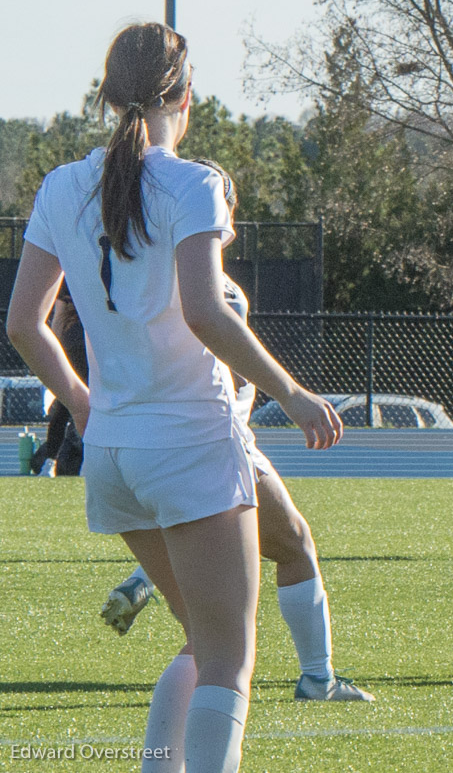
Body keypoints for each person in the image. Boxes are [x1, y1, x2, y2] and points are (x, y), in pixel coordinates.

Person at [6, 22, 341, 773]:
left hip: (114, 453)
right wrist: (292, 393)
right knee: (229, 661)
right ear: (187, 96)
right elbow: (205, 310)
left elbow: (23, 323)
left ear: (105, 95)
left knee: (199, 642)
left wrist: (82, 403)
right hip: (190, 442)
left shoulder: (61, 185)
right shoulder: (192, 182)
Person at [99, 158, 373, 703]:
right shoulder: (213, 285)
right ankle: (316, 677)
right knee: (289, 548)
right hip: (211, 435)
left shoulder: (136, 268)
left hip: (125, 439)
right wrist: (292, 395)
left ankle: (144, 580)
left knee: (207, 569)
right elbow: (212, 342)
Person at [29, 285, 86, 476]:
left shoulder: (68, 273)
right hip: (90, 340)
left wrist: (54, 352)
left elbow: (59, 317)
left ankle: (51, 460)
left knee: (65, 402)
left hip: (74, 340)